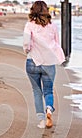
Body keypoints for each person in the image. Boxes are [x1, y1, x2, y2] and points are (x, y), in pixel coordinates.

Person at [23, 1, 65, 129]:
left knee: (36, 91)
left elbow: (26, 43)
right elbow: (57, 44)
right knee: (48, 90)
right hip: (48, 63)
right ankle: (49, 110)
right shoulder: (53, 26)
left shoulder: (29, 25)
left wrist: (28, 50)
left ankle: (41, 121)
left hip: (32, 62)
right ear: (46, 11)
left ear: (33, 11)